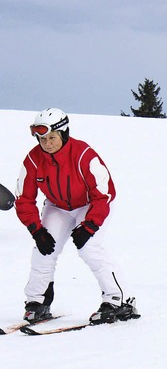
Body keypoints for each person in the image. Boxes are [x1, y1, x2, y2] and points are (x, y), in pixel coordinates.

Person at [14, 108, 139, 324]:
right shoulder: (33, 160)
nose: (47, 143)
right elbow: (24, 198)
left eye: (51, 137)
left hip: (91, 205)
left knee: (89, 248)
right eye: (41, 138)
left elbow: (104, 193)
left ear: (63, 133)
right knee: (44, 251)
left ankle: (119, 300)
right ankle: (37, 302)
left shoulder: (83, 155)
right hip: (58, 207)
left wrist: (89, 225)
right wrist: (36, 230)